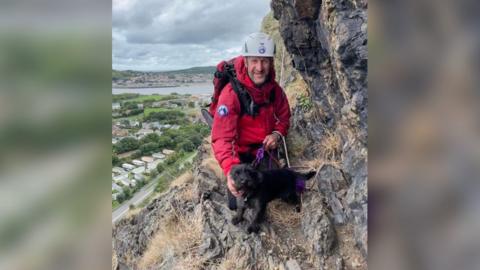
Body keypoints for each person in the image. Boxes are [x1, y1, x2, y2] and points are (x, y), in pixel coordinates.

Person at [211, 32, 291, 209]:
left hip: (263, 149)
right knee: (237, 204)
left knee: (271, 191)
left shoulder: (274, 90)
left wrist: (276, 134)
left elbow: (284, 117)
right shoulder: (231, 95)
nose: (260, 68)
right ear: (245, 61)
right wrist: (231, 171)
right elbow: (222, 138)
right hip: (238, 154)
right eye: (254, 61)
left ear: (271, 63)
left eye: (265, 61)